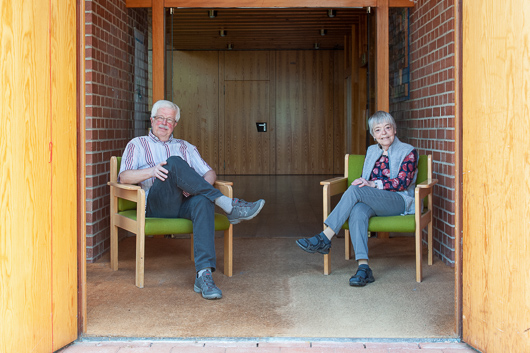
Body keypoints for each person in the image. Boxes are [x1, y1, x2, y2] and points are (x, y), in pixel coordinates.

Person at [119, 100, 265, 300]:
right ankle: (227, 205)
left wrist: (195, 189)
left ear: (175, 124)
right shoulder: (137, 144)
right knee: (174, 163)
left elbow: (209, 173)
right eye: (160, 118)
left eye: (170, 120)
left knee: (203, 200)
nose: (164, 123)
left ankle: (203, 275)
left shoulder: (185, 146)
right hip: (156, 204)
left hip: (183, 204)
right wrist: (152, 171)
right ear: (152, 120)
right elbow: (124, 177)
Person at [296, 111, 418, 287]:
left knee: (355, 190)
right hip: (377, 201)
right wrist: (364, 181)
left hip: (399, 200)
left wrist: (372, 184)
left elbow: (402, 182)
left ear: (395, 129)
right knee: (357, 210)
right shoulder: (371, 151)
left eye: (387, 128)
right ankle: (364, 267)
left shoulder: (408, 151)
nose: (383, 133)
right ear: (373, 135)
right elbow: (365, 178)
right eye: (378, 130)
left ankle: (325, 237)